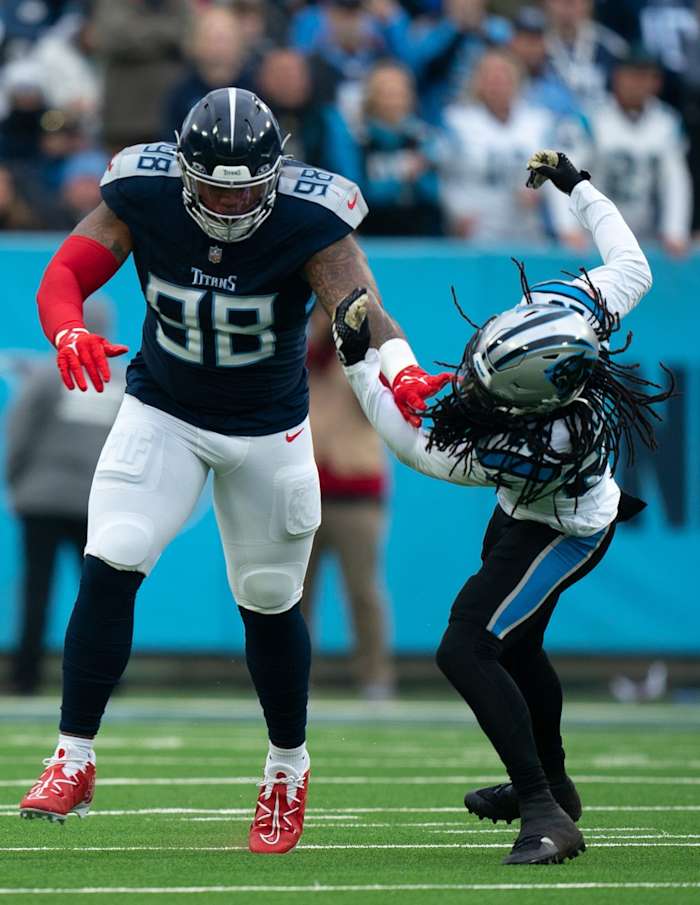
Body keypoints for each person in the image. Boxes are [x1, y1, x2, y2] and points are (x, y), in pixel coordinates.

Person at [18, 87, 379, 857]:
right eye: (213, 184)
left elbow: (361, 316)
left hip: (268, 429)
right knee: (111, 558)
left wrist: (397, 368)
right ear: (183, 172)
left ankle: (287, 764)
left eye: (247, 186)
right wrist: (68, 329)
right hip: (165, 411)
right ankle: (72, 754)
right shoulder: (141, 191)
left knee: (269, 601)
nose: (229, 200)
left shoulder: (311, 217)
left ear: (273, 175)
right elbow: (62, 277)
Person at [330, 150, 672, 864]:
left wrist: (361, 359)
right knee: (515, 645)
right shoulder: (572, 310)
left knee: (467, 644)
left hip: (561, 528)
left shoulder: (538, 437)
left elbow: (417, 446)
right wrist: (579, 187)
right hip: (537, 507)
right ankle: (552, 786)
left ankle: (547, 810)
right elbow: (632, 262)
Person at [5, 301, 125, 695]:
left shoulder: (48, 374)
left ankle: (26, 677)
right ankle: (105, 677)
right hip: (97, 502)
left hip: (41, 499)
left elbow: (18, 433)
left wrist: (12, 483)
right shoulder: (121, 380)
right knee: (101, 595)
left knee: (37, 591)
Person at [301, 306, 394, 699]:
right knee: (294, 596)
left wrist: (357, 348)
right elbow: (313, 354)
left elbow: (382, 406)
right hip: (305, 491)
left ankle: (375, 678)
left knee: (362, 591)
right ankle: (292, 680)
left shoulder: (367, 362)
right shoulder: (300, 359)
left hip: (356, 492)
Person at [440, 50, 584, 246]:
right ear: (477, 82)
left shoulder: (539, 122)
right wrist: (456, 213)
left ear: (517, 80)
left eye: (503, 75)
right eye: (489, 76)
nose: (497, 83)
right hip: (478, 233)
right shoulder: (458, 122)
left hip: (527, 232)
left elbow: (559, 174)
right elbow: (445, 175)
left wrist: (562, 221)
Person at [587, 49, 693, 256]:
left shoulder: (667, 122)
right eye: (632, 76)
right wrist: (568, 228)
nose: (638, 84)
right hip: (595, 236)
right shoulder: (592, 118)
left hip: (646, 236)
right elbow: (568, 175)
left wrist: (675, 230)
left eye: (645, 77)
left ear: (656, 83)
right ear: (617, 77)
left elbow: (675, 181)